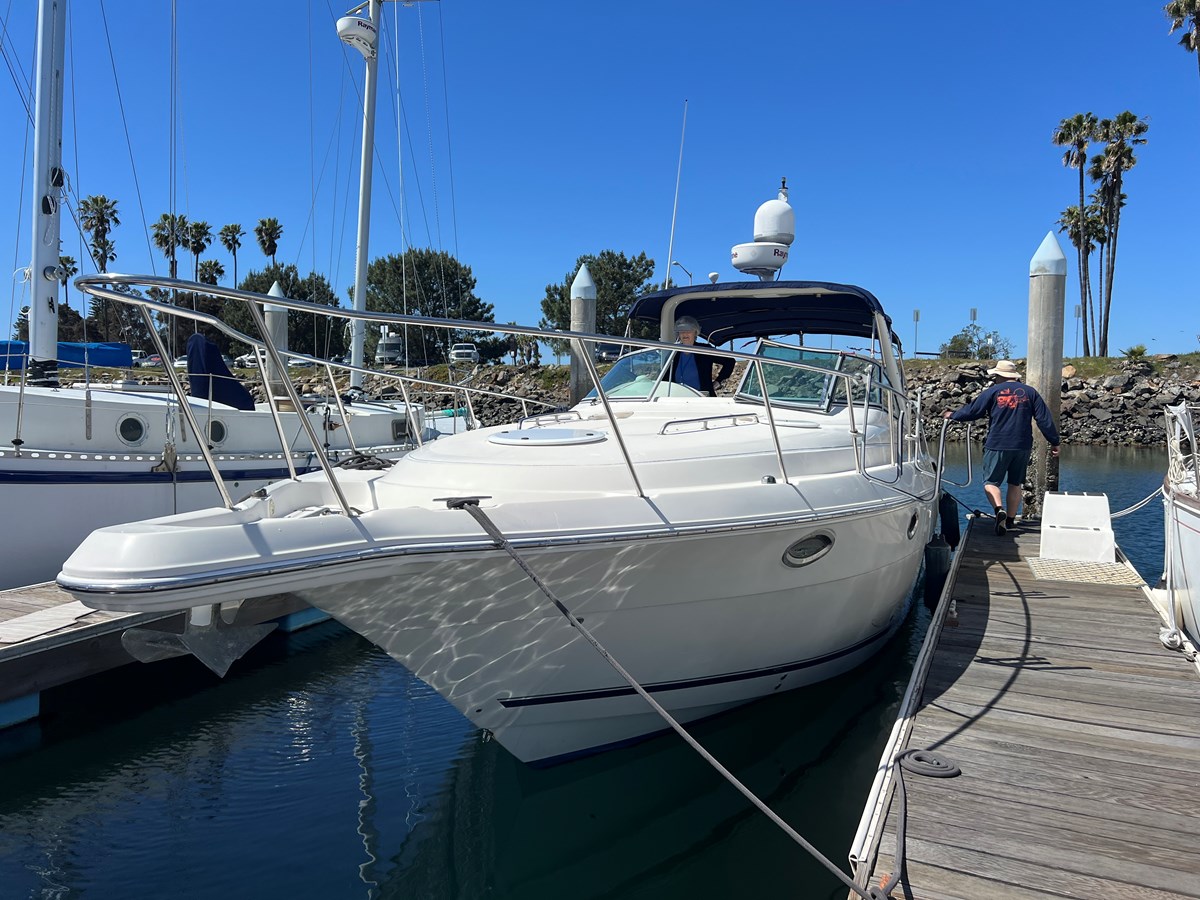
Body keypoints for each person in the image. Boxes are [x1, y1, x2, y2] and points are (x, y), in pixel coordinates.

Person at [943, 359, 1060, 535]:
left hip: (997, 443)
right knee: (1015, 483)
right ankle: (1011, 521)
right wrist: (1054, 441)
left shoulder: (993, 391)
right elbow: (1044, 419)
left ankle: (999, 510)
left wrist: (953, 415)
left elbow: (973, 411)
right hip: (1022, 445)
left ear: (999, 376)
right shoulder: (1030, 393)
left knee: (990, 483)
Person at [667, 315, 735, 396]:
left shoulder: (704, 349)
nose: (685, 334)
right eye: (681, 331)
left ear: (695, 332)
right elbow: (666, 378)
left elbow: (729, 361)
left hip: (702, 398)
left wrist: (718, 381)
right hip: (678, 398)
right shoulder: (673, 353)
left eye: (688, 330)